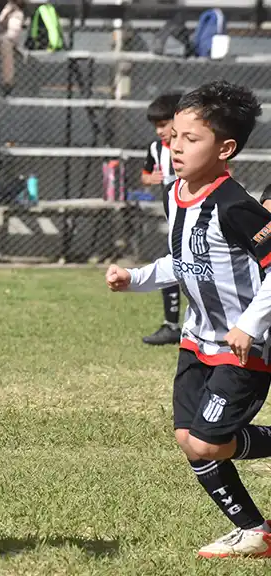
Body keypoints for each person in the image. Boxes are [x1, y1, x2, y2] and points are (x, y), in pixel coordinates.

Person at [106, 81, 271, 559]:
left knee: (208, 443)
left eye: (190, 139)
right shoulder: (175, 193)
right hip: (197, 340)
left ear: (225, 149)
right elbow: (183, 261)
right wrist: (135, 278)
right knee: (188, 439)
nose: (175, 147)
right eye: (173, 136)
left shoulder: (236, 206)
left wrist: (250, 325)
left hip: (243, 345)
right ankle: (255, 532)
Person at [140, 92, 184, 346]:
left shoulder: (192, 147)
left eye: (163, 124)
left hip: (195, 220)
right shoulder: (155, 149)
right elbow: (145, 175)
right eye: (155, 126)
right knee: (171, 268)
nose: (159, 131)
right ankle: (172, 326)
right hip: (174, 221)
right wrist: (150, 178)